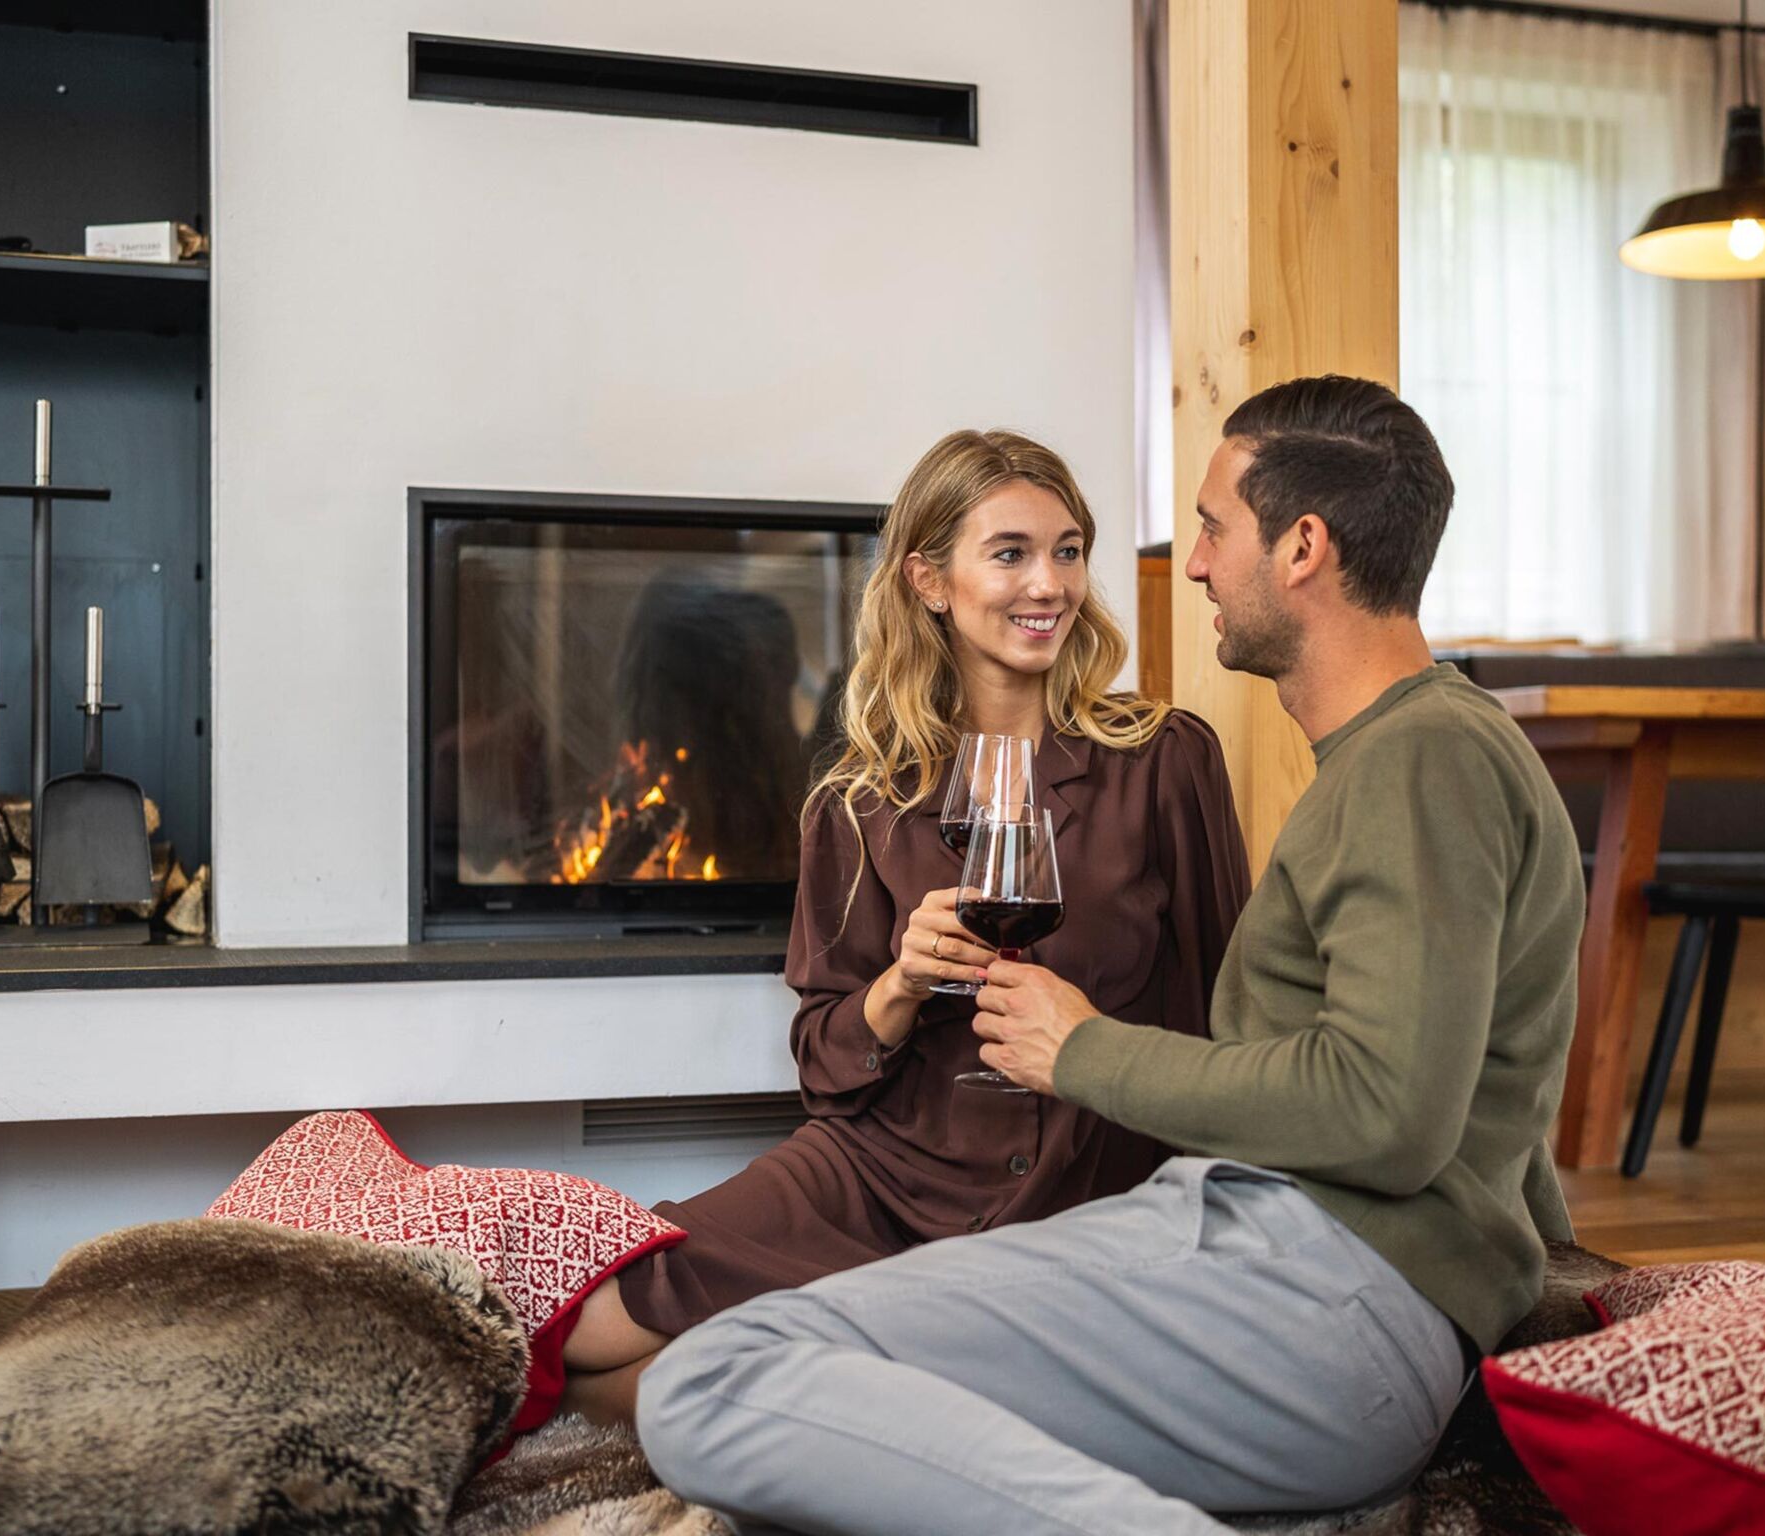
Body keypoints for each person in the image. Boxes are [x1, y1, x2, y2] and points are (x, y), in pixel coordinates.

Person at [634, 376, 1587, 1534]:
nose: (1190, 565)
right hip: (1245, 1246)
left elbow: (1388, 1108)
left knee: (716, 1381)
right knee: (741, 1372)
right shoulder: (1418, 753)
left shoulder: (1415, 761)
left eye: (1211, 527)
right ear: (928, 584)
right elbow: (1477, 1081)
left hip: (1305, 1285)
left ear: (1301, 548)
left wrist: (1079, 1050)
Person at [555, 428, 1252, 1421]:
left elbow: (1230, 1009)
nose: (1047, 583)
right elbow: (824, 1063)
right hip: (882, 1170)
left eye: (1066, 550)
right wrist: (899, 985)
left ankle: (817, 1403)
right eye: (1009, 553)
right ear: (930, 580)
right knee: (585, 1333)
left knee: (720, 1387)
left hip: (1086, 1186)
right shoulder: (859, 798)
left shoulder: (1165, 758)